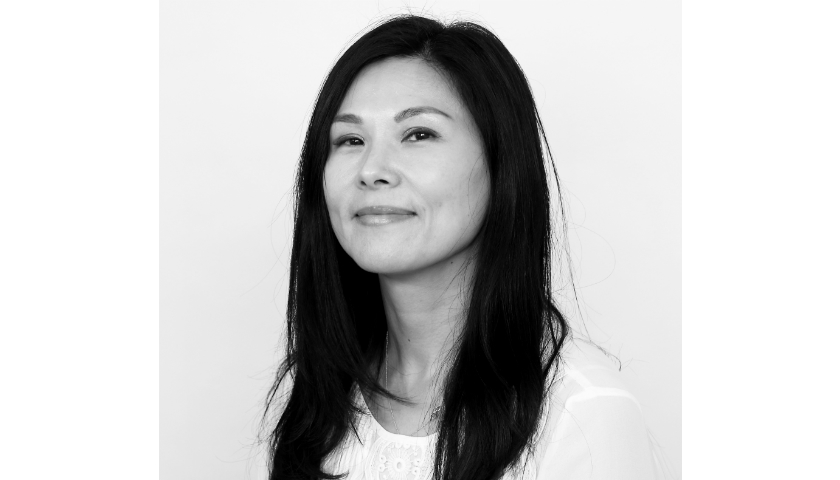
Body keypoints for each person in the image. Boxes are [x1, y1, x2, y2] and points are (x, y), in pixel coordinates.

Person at [263, 14, 668, 480]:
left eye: (419, 134)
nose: (372, 170)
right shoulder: (314, 401)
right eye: (350, 139)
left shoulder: (582, 414)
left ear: (501, 163)